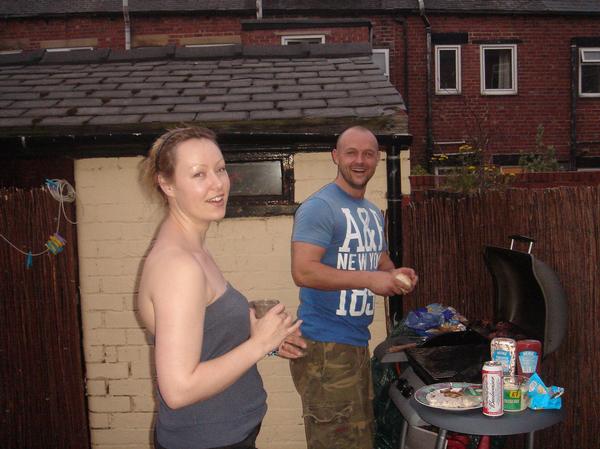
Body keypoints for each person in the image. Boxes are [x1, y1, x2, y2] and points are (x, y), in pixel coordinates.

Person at [136, 126, 302, 449]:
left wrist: (263, 338)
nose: (218, 183)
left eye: (221, 169)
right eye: (199, 174)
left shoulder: (194, 250)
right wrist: (258, 345)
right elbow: (178, 389)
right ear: (167, 184)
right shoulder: (179, 266)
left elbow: (204, 338)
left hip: (228, 435)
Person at [289, 125, 418, 449]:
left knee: (359, 438)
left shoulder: (371, 212)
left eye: (368, 154)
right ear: (336, 156)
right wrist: (371, 280)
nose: (360, 161)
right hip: (325, 348)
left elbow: (379, 260)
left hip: (356, 344)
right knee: (336, 442)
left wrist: (394, 274)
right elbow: (303, 271)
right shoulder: (320, 207)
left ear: (377, 160)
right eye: (351, 153)